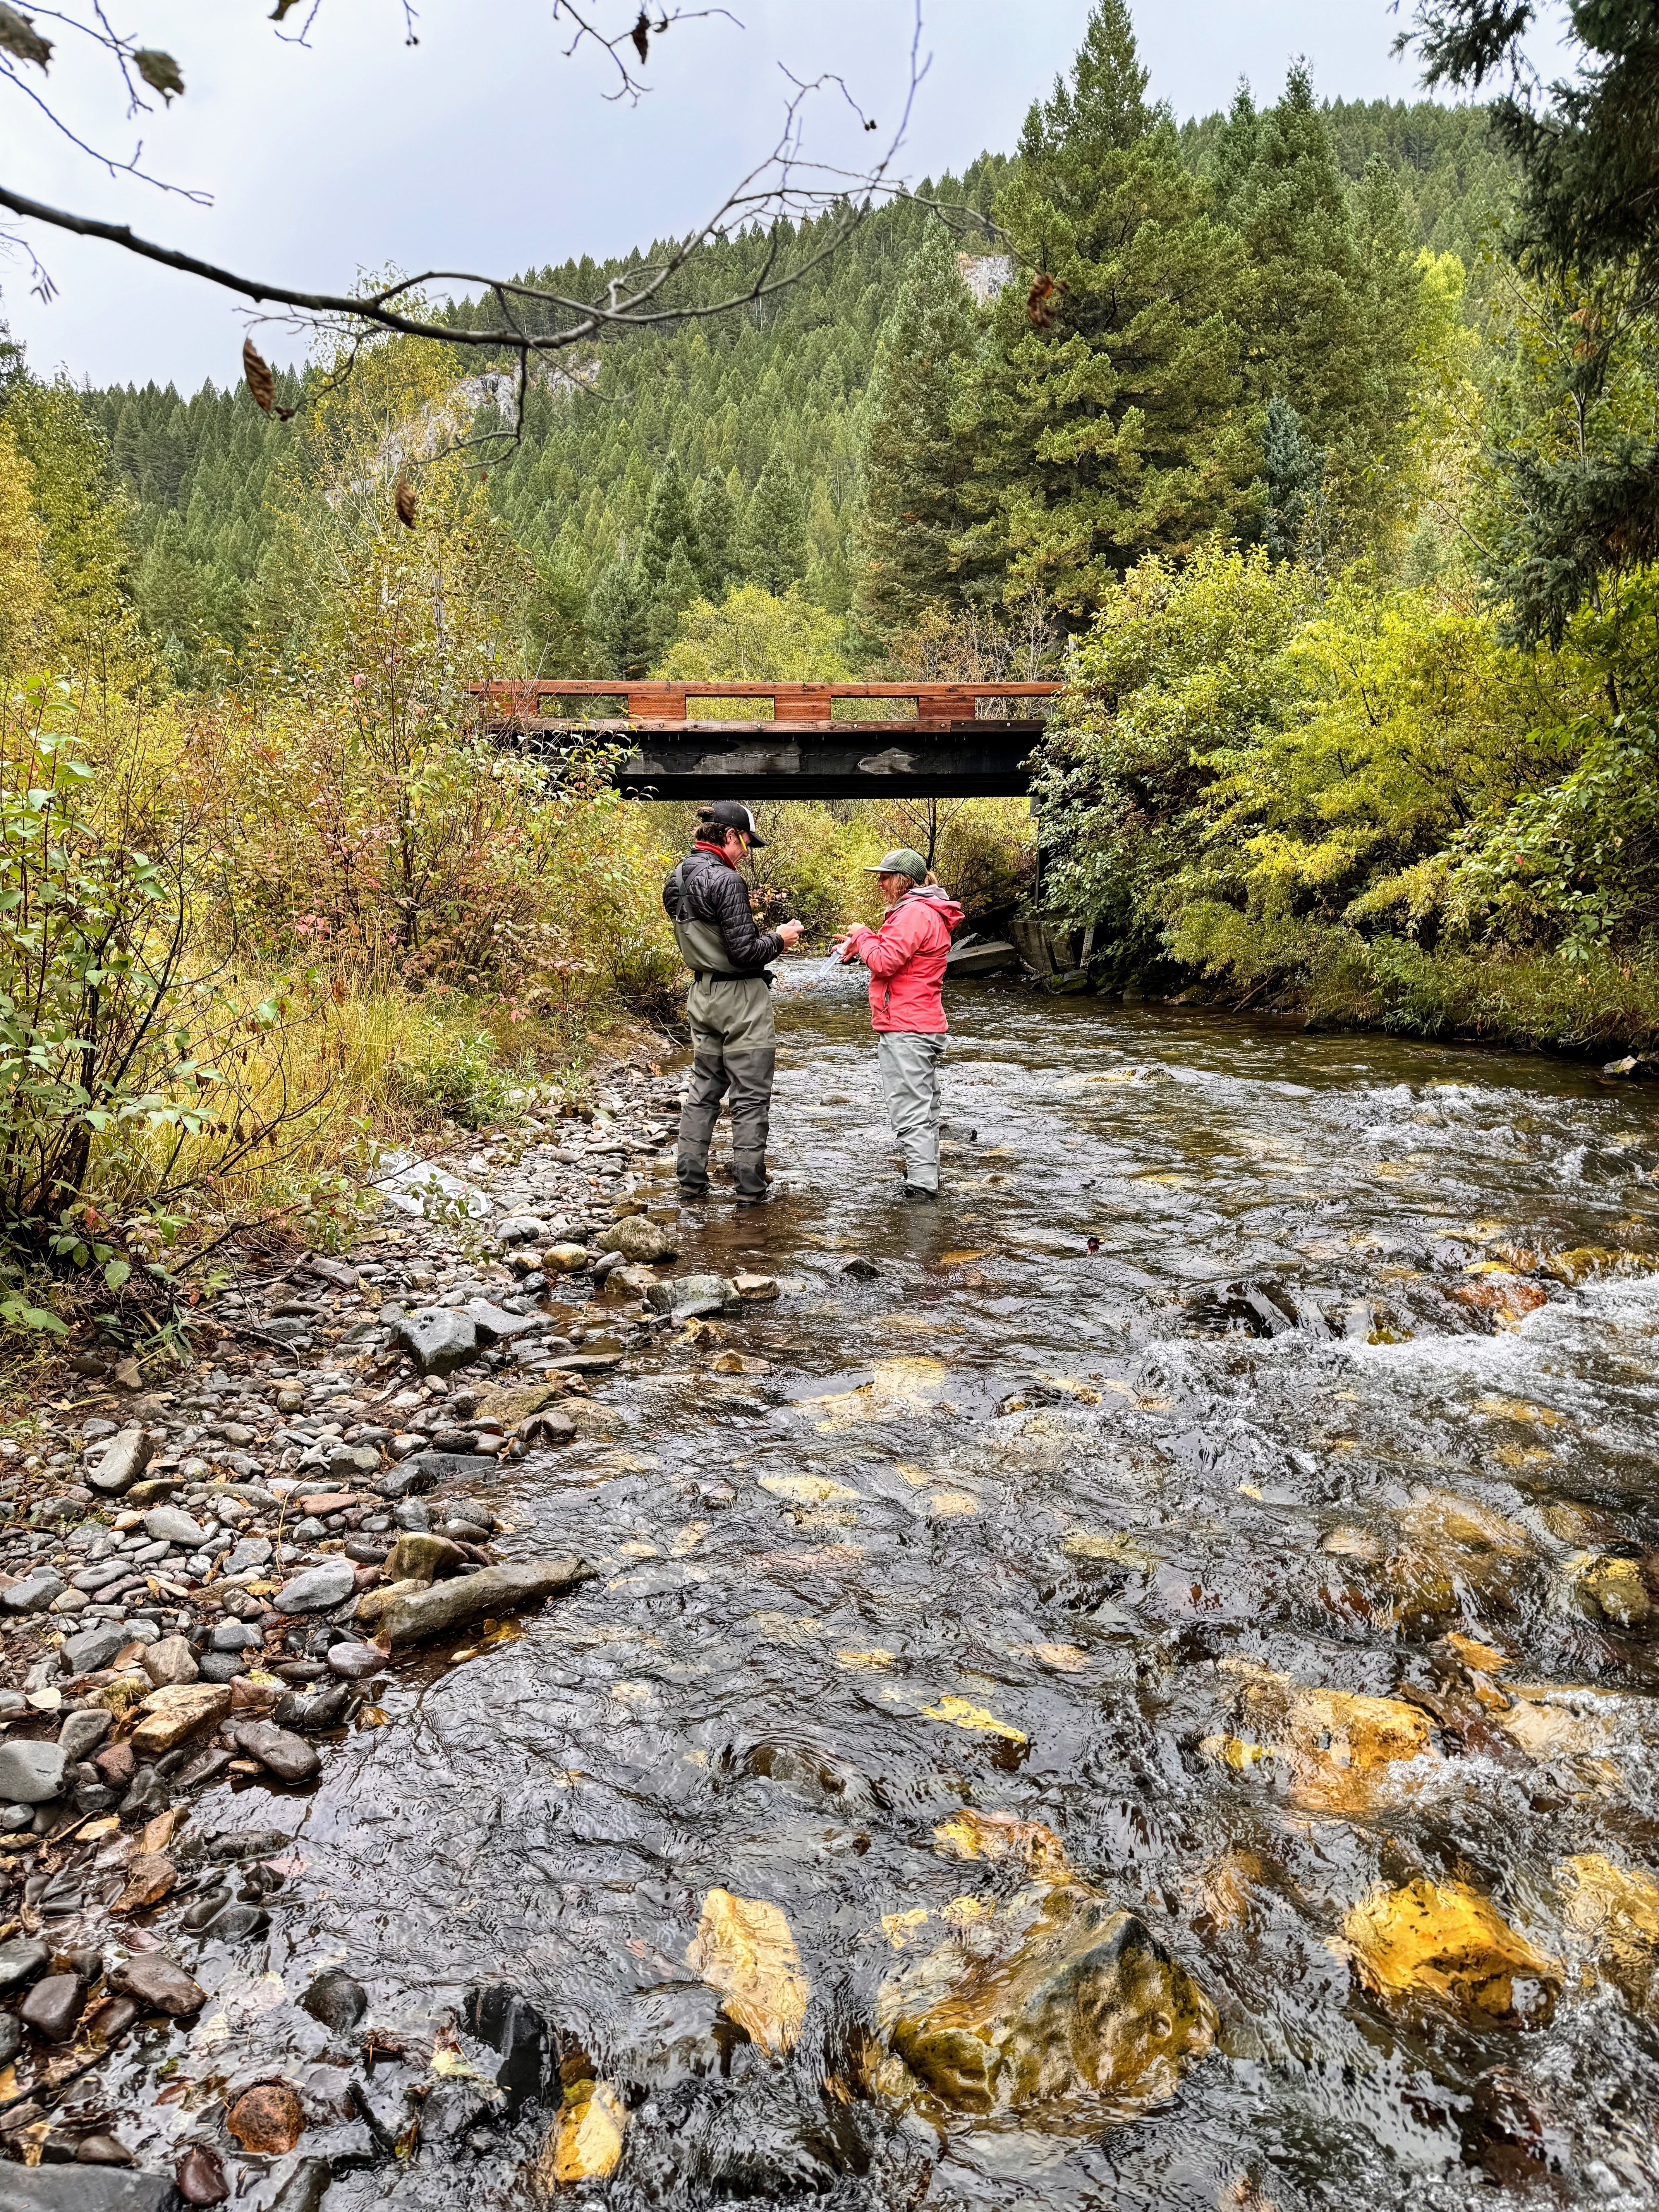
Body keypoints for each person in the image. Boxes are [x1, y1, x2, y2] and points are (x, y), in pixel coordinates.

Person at [663, 801, 803, 1204]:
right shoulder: (726, 880)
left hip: (702, 996)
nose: (746, 851)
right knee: (750, 1097)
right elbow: (744, 952)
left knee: (704, 1091)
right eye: (745, 842)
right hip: (740, 999)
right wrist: (780, 939)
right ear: (728, 836)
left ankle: (690, 1184)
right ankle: (750, 1191)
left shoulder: (676, 878)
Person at [835, 847, 964, 1201]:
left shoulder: (912, 913)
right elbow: (897, 957)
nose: (879, 883)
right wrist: (861, 945)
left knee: (910, 1110)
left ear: (904, 881)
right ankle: (925, 1177)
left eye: (885, 877)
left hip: (907, 1027)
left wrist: (862, 935)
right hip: (922, 1023)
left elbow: (885, 963)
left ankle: (922, 1190)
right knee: (925, 1108)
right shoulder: (925, 911)